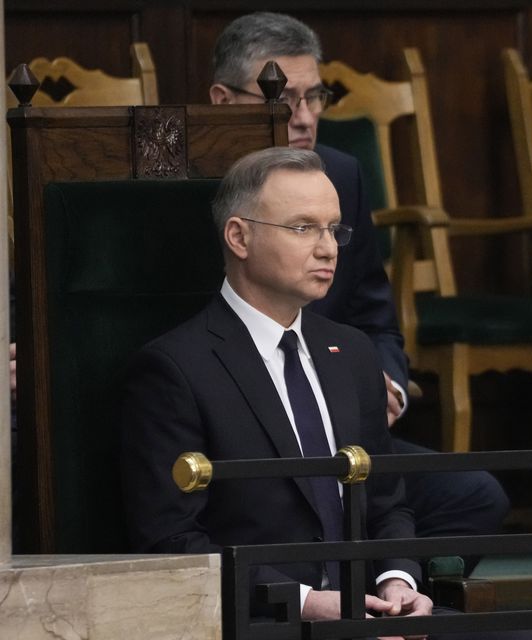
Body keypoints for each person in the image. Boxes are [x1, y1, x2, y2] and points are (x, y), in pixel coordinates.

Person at [208, 11, 508, 565]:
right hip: (248, 443)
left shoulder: (339, 175)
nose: (303, 116)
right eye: (280, 96)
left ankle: (393, 596)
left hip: (342, 431)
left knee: (475, 494)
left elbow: (375, 316)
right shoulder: (191, 188)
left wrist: (388, 382)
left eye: (315, 95)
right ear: (223, 101)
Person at [122, 147, 428, 619]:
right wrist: (304, 603)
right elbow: (172, 541)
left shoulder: (353, 353)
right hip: (264, 620)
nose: (328, 248)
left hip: (370, 614)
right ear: (239, 237)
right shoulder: (174, 369)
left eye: (333, 229)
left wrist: (398, 581)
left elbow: (387, 506)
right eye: (303, 228)